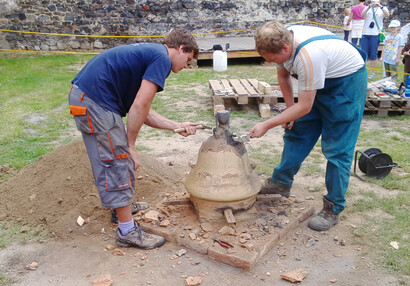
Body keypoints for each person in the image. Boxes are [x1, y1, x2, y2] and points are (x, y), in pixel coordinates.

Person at [68, 28, 199, 249]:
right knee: (118, 157)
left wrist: (176, 126)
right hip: (94, 101)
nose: (187, 65)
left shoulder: (153, 54)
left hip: (90, 97)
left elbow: (142, 108)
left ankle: (120, 209)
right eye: (188, 59)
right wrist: (130, 146)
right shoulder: (162, 58)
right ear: (180, 48)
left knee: (117, 157)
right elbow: (139, 106)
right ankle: (126, 231)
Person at [248, 21, 367, 231]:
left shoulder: (308, 56)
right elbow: (283, 74)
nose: (270, 62)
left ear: (286, 48)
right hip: (318, 77)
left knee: (337, 149)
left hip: (344, 85)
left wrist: (268, 124)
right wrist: (288, 110)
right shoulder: (281, 36)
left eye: (272, 58)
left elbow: (305, 106)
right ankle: (280, 183)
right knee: (297, 130)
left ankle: (333, 207)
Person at [360, 0, 389, 79]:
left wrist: (380, 6)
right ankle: (363, 71)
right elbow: (362, 15)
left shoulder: (382, 9)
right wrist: (369, 6)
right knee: (363, 52)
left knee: (373, 53)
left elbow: (387, 14)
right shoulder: (367, 8)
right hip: (365, 33)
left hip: (375, 34)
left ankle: (372, 72)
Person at [381, 20, 405, 86]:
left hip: (393, 58)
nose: (393, 29)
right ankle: (387, 85)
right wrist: (382, 56)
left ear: (398, 28)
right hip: (386, 58)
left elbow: (400, 48)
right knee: (386, 73)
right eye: (391, 27)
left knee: (393, 74)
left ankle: (393, 85)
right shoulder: (387, 36)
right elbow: (384, 46)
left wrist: (398, 58)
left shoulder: (400, 37)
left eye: (394, 27)